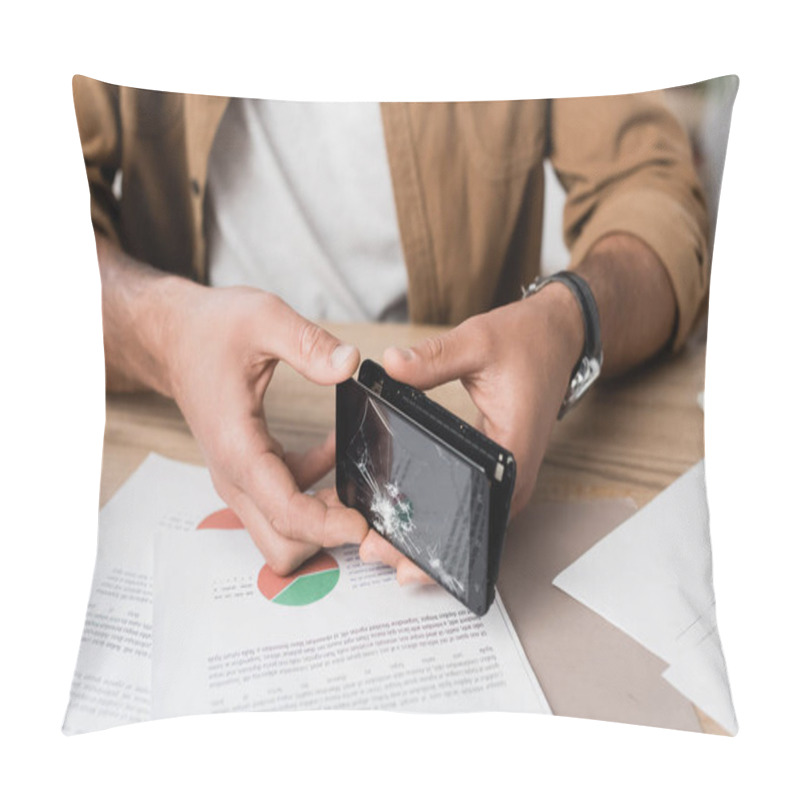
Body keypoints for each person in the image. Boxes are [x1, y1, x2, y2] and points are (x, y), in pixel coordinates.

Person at [72, 77, 709, 582]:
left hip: (469, 422)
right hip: (181, 429)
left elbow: (655, 195)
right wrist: (163, 335)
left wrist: (570, 318)